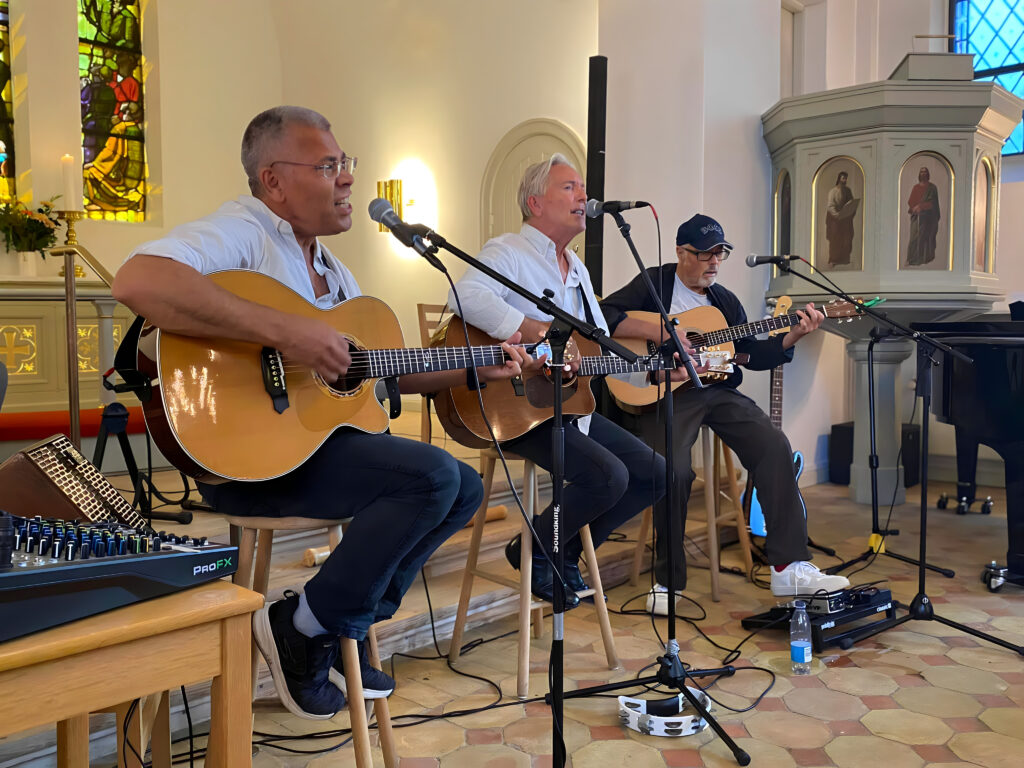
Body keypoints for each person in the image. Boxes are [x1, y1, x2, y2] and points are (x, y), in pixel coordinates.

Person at [112, 106, 527, 720]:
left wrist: (475, 366)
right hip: (247, 459)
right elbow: (139, 280)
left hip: (311, 450)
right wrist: (288, 333)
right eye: (328, 165)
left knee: (463, 486)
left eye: (346, 164)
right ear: (274, 180)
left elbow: (379, 367)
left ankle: (328, 621)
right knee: (431, 476)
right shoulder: (243, 231)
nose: (347, 179)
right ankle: (305, 629)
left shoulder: (331, 268)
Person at [447, 154, 672, 609]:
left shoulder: (578, 269)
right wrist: (537, 335)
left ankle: (555, 548)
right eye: (569, 188)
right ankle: (543, 548)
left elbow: (599, 349)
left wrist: (652, 368)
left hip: (566, 409)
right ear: (535, 202)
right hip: (514, 408)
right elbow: (463, 294)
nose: (583, 196)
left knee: (655, 473)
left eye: (582, 188)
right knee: (608, 476)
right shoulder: (508, 251)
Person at [600, 214, 850, 614]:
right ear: (681, 253)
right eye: (705, 254)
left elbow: (753, 353)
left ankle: (788, 566)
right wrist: (661, 335)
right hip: (666, 392)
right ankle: (667, 581)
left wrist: (795, 333)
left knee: (773, 444)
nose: (714, 262)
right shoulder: (654, 285)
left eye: (721, 254)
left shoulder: (724, 302)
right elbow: (603, 317)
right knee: (673, 471)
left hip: (715, 391)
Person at [906, 166, 940, 266]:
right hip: (916, 217)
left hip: (927, 218)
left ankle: (923, 259)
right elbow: (911, 201)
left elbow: (933, 203)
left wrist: (921, 206)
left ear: (928, 174)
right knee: (914, 238)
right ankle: (913, 259)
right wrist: (914, 208)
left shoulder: (932, 188)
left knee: (924, 238)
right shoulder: (916, 187)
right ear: (919, 174)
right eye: (921, 172)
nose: (923, 174)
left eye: (925, 172)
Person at [825, 171, 855, 266]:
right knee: (835, 239)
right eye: (843, 178)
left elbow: (851, 203)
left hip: (845, 219)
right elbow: (830, 206)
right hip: (835, 219)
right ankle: (834, 259)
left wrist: (849, 212)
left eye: (846, 178)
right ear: (839, 179)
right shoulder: (833, 191)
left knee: (847, 238)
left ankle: (844, 259)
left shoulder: (847, 190)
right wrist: (837, 215)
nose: (845, 180)